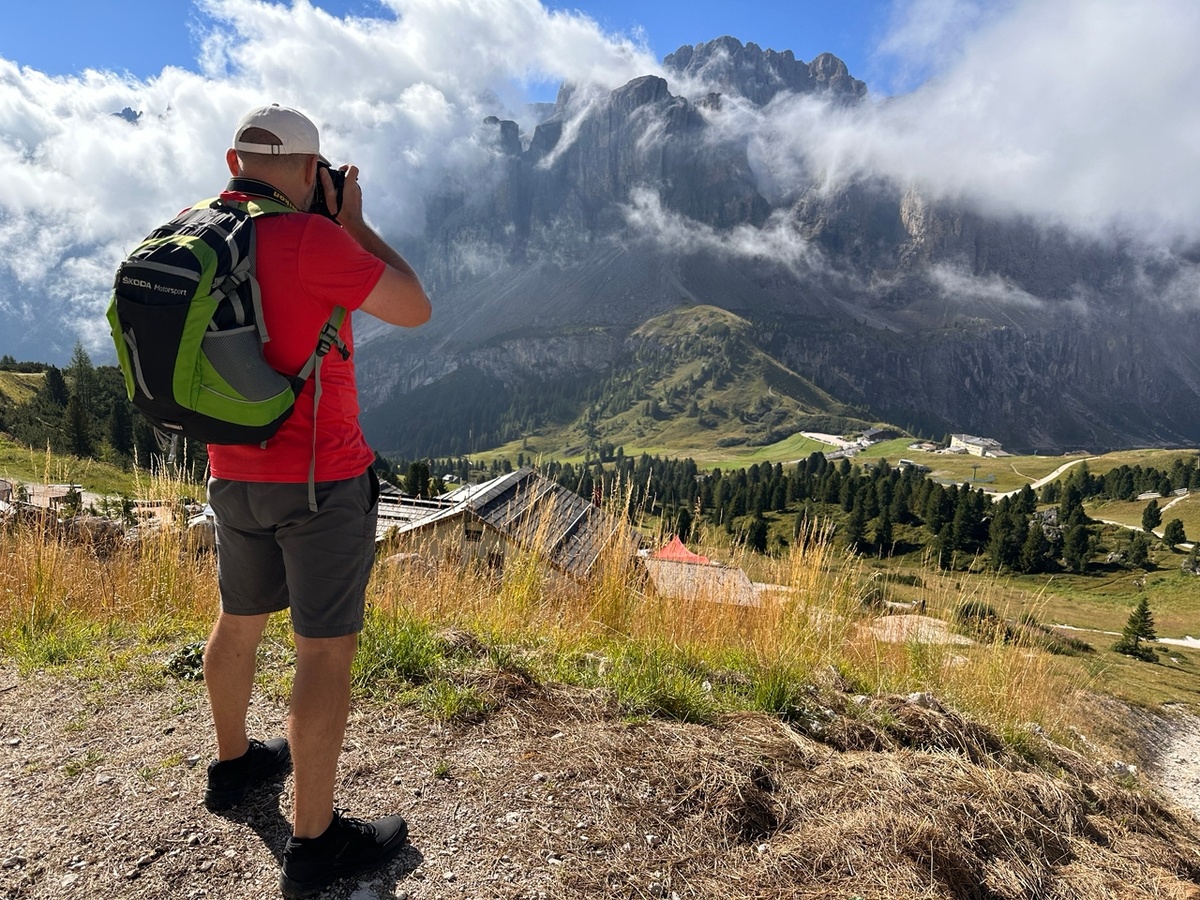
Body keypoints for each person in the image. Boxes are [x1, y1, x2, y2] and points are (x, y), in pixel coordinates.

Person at [199, 104, 430, 899]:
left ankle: (234, 766)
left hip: (231, 473)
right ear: (310, 169)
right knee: (323, 652)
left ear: (233, 163)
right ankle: (314, 841)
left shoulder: (201, 234)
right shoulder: (313, 240)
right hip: (319, 481)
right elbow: (415, 305)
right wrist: (354, 225)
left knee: (238, 620)